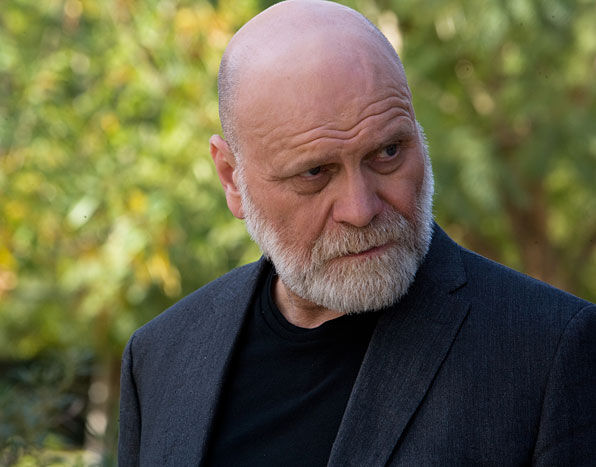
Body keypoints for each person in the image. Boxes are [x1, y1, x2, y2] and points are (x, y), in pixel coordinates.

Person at [118, 1, 595, 465]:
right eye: (314, 173)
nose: (361, 210)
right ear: (231, 179)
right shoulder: (158, 357)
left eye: (388, 153)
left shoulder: (550, 352)